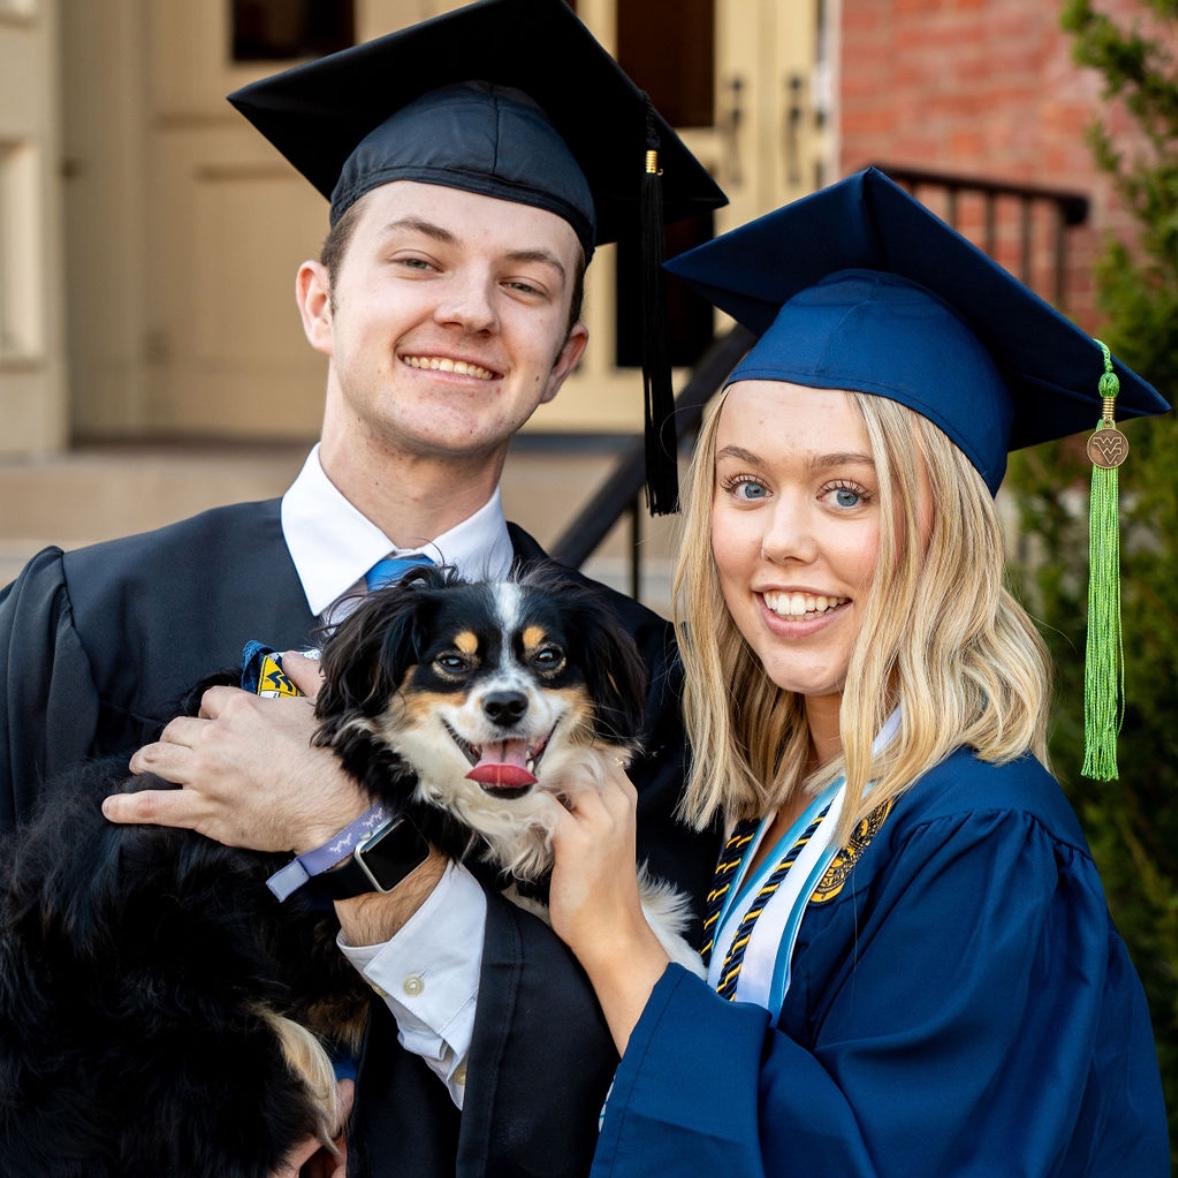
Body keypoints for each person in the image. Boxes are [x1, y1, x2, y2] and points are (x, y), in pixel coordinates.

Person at [0, 1, 725, 1173]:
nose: (469, 310)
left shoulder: (640, 689)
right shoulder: (90, 619)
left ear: (566, 359)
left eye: (525, 284)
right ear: (320, 301)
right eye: (417, 259)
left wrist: (348, 833)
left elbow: (642, 1058)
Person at [545, 167, 1170, 1176]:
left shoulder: (982, 836)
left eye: (845, 494)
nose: (780, 541)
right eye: (745, 484)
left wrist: (617, 943)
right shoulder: (760, 778)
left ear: (947, 532)